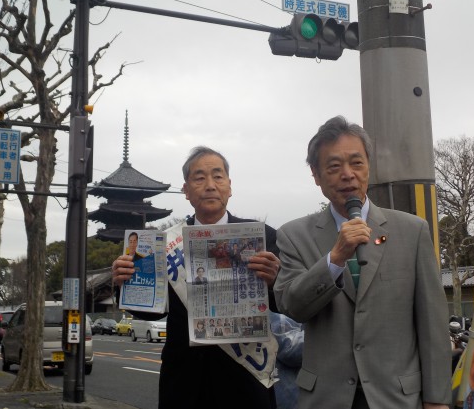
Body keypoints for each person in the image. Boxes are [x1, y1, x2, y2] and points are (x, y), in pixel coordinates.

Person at [274, 116, 452, 409]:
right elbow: (292, 305)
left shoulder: (412, 230)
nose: (348, 174)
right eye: (333, 166)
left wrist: (437, 399)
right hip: (325, 398)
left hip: (396, 398)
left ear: (369, 166)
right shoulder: (293, 236)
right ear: (316, 175)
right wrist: (335, 258)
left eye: (356, 163)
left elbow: (431, 324)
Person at [113, 146, 280, 409]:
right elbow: (152, 312)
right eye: (199, 178)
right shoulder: (163, 245)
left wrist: (274, 281)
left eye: (218, 176)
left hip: (246, 378)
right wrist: (123, 282)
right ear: (186, 191)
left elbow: (285, 303)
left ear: (230, 186)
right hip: (185, 381)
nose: (210, 185)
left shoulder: (264, 237)